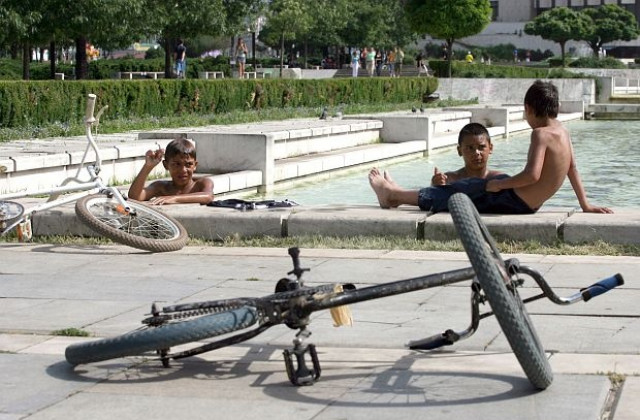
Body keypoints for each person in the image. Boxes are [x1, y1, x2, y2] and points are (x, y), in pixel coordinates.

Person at [369, 80, 613, 215]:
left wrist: (499, 185)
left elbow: (532, 175)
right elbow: (572, 168)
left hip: (517, 202)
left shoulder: (541, 134)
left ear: (528, 108)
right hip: (527, 201)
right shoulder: (562, 131)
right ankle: (399, 193)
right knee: (470, 185)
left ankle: (392, 195)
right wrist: (585, 204)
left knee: (459, 193)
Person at [128, 137, 214, 205]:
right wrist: (147, 167)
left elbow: (208, 196)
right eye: (177, 164)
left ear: (195, 165)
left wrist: (173, 198)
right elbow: (134, 197)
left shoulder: (202, 183)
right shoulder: (162, 188)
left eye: (188, 164)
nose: (183, 170)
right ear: (166, 165)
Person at [431, 123, 502, 186]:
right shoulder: (449, 180)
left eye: (481, 147)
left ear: (490, 148)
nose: (476, 152)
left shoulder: (500, 180)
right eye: (470, 148)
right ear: (459, 151)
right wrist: (436, 188)